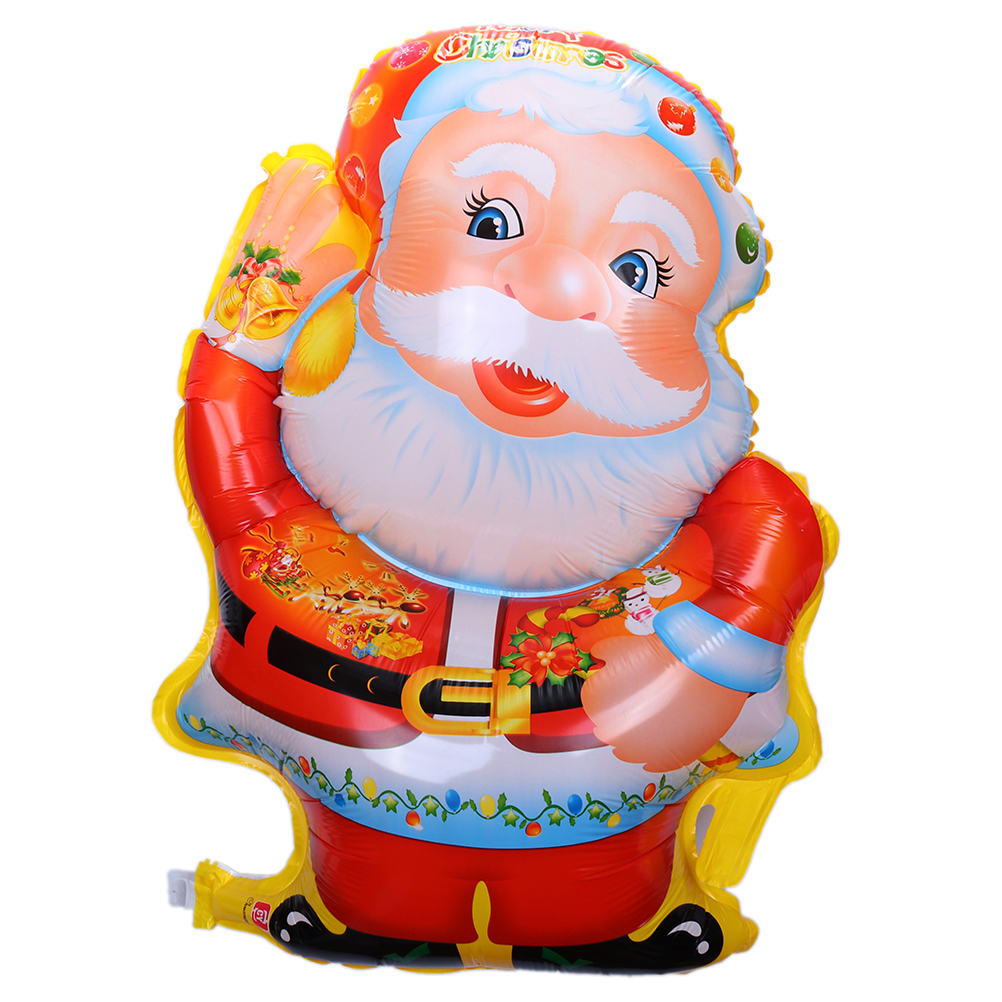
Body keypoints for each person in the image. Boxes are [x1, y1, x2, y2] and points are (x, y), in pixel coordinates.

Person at [174, 26, 833, 971]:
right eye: (490, 221)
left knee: (589, 895)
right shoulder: (323, 465)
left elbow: (770, 528)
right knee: (379, 889)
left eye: (638, 270)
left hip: (591, 774)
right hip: (360, 739)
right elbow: (235, 474)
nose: (557, 290)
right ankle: (369, 916)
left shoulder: (698, 491)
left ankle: (601, 927)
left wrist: (719, 648)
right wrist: (247, 326)